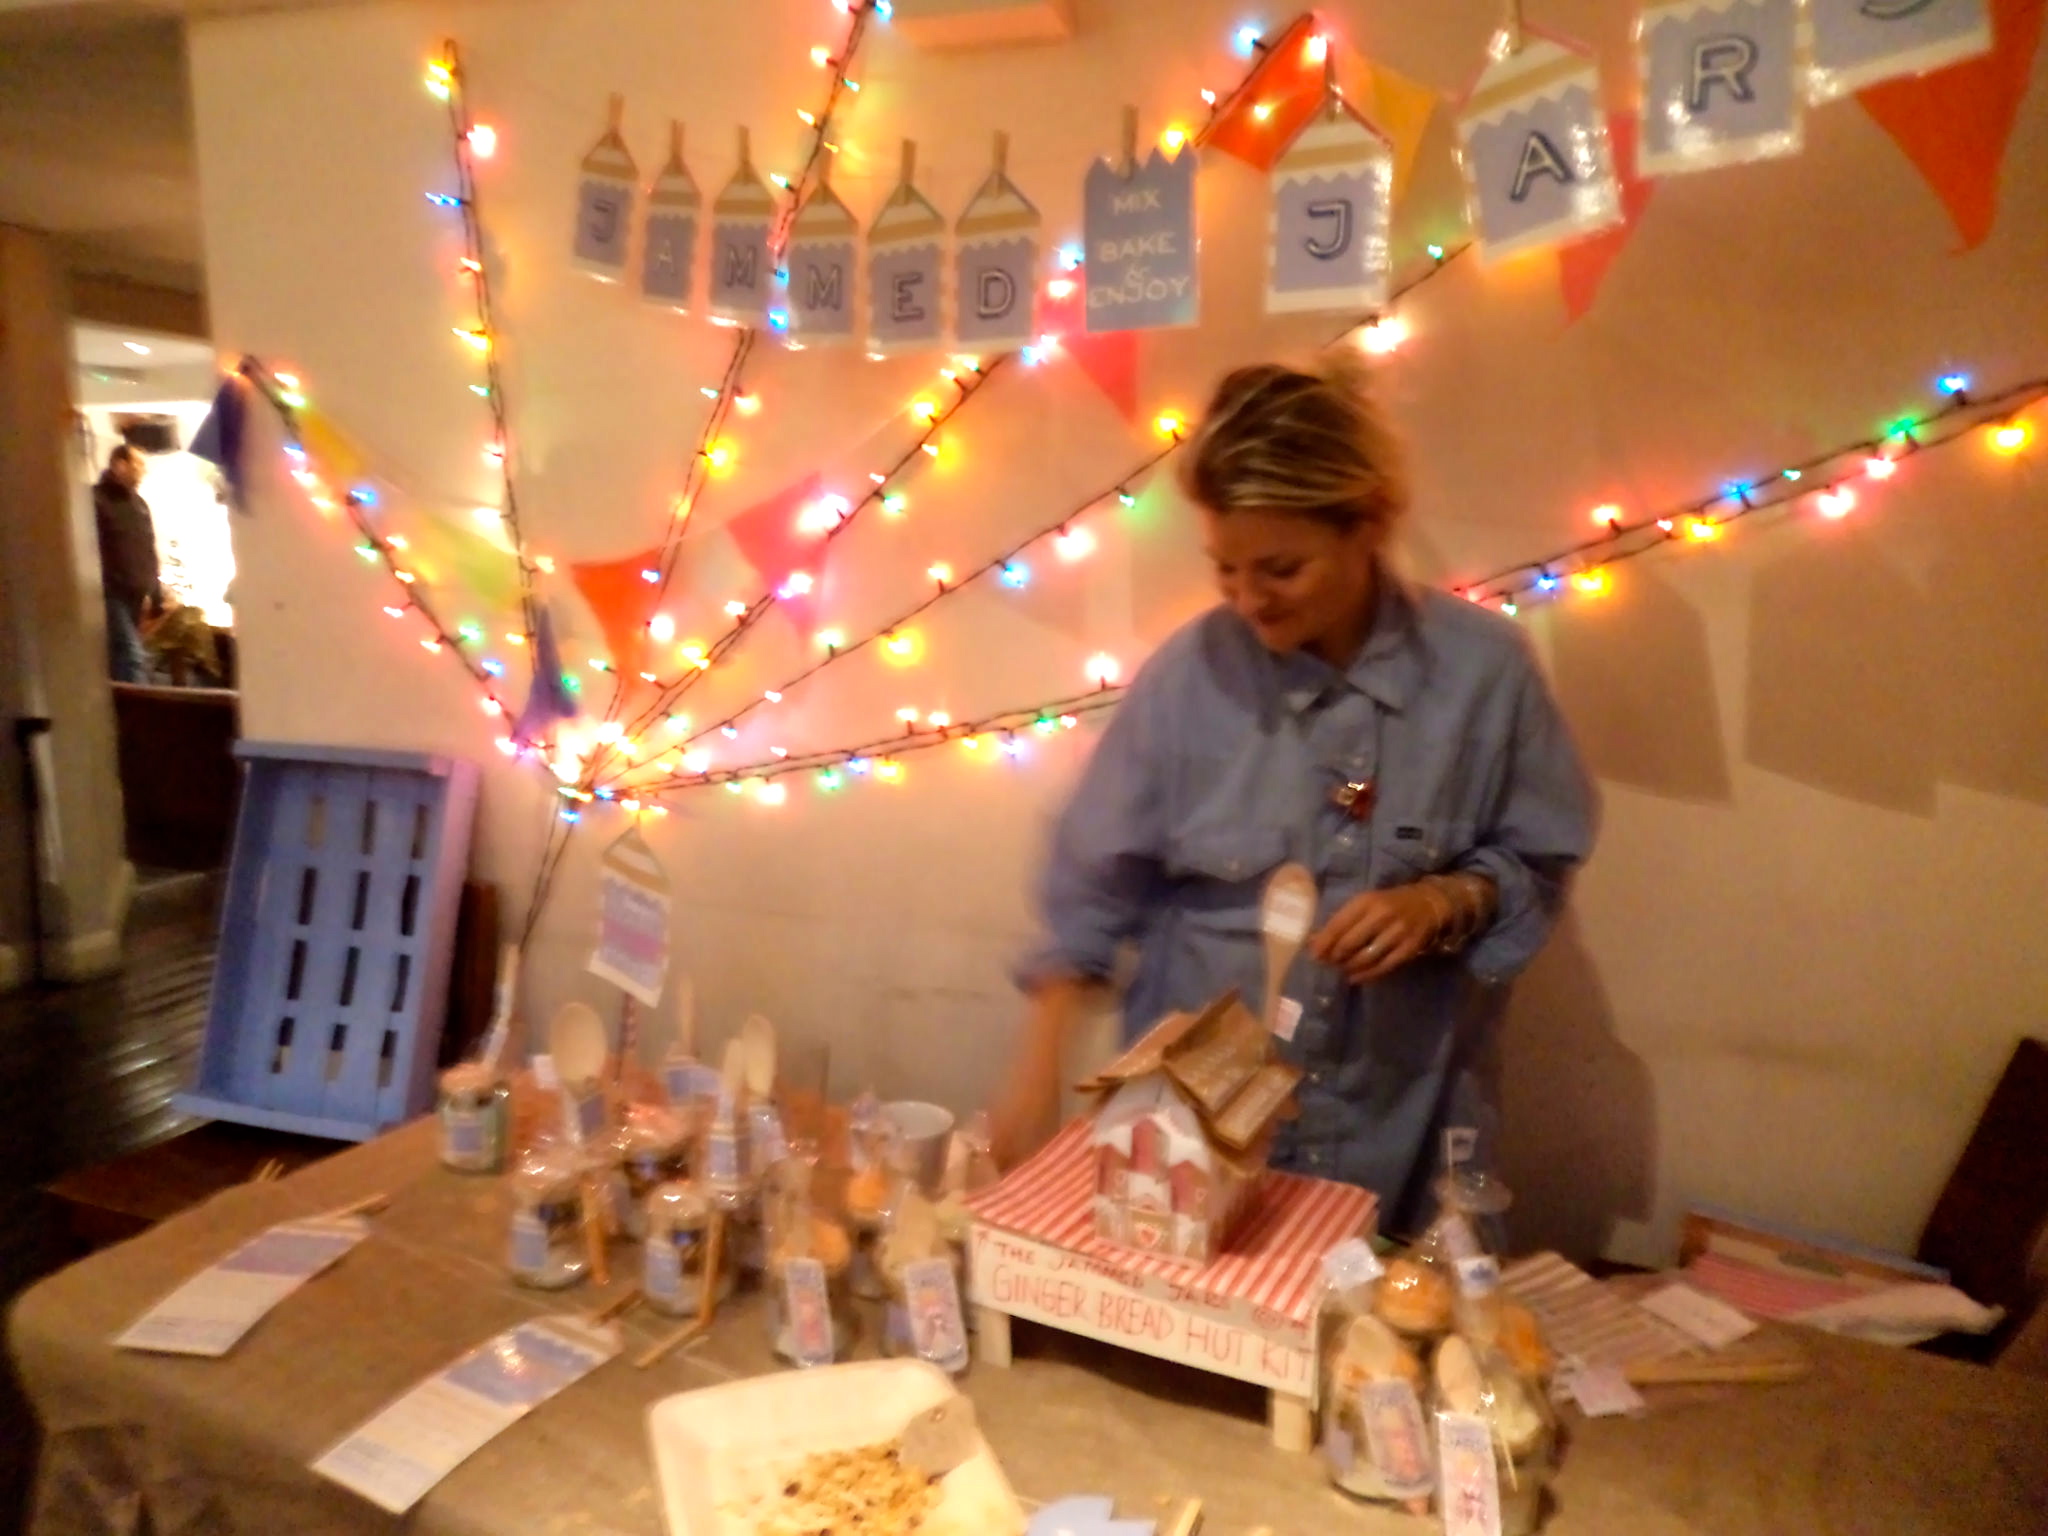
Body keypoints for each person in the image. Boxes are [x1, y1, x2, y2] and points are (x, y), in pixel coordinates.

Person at [998, 356, 1597, 1232]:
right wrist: (1035, 1071)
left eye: (1280, 569)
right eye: (1225, 570)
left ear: (1368, 525)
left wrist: (1440, 902)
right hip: (1197, 1142)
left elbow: (1539, 855)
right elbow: (1089, 884)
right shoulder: (1188, 679)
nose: (1248, 601)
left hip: (1397, 1126)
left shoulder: (1483, 675)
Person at [94, 444, 161, 684]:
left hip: (137, 595)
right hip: (111, 594)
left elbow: (148, 548)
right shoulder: (95, 500)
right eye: (138, 464)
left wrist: (155, 592)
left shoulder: (139, 504)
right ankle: (141, 706)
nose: (143, 470)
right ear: (119, 465)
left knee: (123, 657)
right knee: (132, 656)